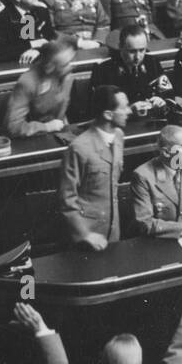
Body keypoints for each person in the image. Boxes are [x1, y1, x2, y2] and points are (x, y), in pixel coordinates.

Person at [58, 85, 130, 250]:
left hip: (112, 230)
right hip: (86, 236)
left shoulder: (119, 136)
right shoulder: (79, 148)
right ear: (108, 114)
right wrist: (84, 234)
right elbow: (67, 199)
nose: (129, 111)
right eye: (124, 107)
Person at [90, 24, 171, 111]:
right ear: (120, 47)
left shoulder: (152, 62)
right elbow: (98, 110)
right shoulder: (103, 69)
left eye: (142, 50)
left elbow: (169, 95)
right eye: (132, 51)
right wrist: (129, 110)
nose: (137, 57)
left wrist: (162, 100)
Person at [5, 40, 75, 137]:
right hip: (28, 139)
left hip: (56, 134)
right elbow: (13, 127)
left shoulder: (66, 76)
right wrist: (46, 127)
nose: (70, 67)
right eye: (65, 65)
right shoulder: (27, 82)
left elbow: (62, 111)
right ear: (49, 67)